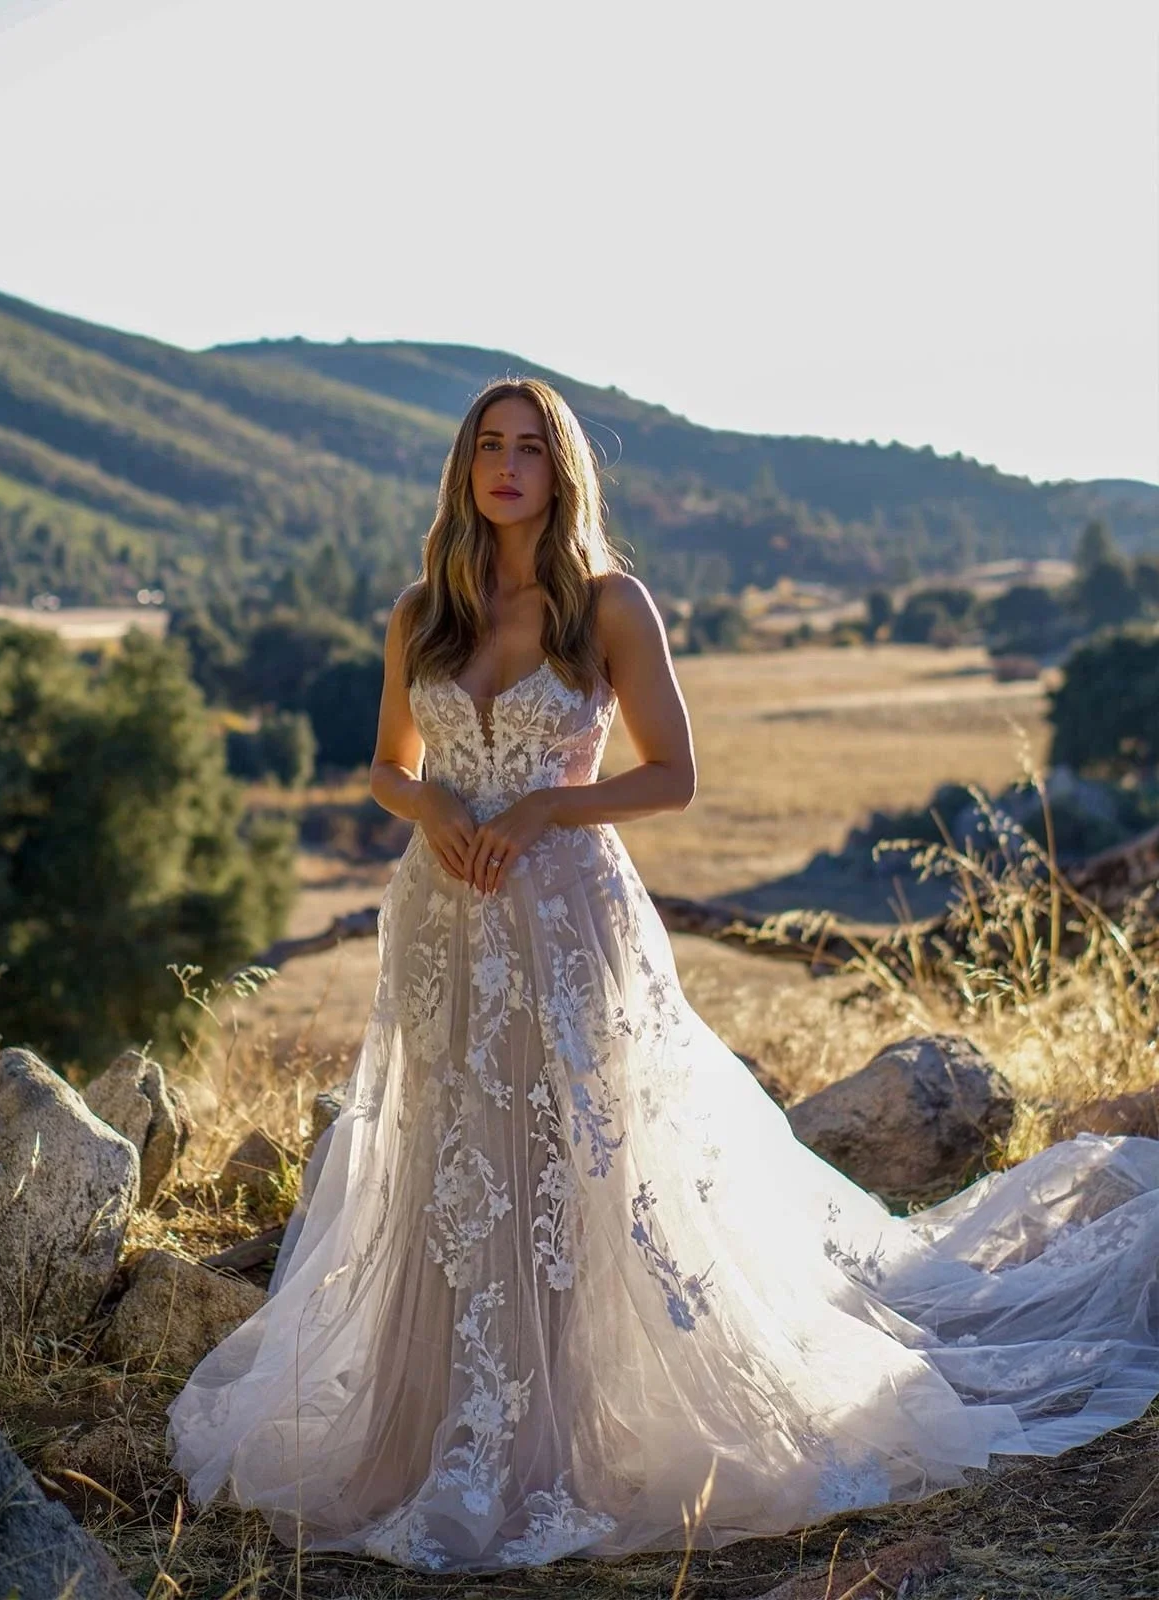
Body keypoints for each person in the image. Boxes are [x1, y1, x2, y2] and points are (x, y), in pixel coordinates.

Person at [167, 377, 1159, 1575]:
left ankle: (552, 1436)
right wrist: (430, 804)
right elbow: (387, 763)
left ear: (562, 471)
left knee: (572, 1161)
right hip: (443, 922)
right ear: (465, 467)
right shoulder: (423, 611)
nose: (508, 466)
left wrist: (545, 805)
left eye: (531, 448)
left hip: (566, 914)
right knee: (454, 1154)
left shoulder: (609, 605)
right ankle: (435, 1425)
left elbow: (672, 775)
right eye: (489, 445)